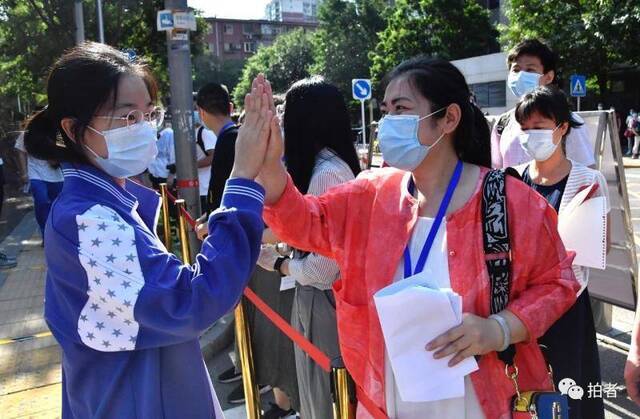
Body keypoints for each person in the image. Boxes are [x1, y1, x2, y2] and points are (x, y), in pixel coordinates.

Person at [225, 61, 580, 418]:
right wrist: (270, 165)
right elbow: (301, 224)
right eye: (385, 110)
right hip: (389, 399)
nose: (387, 123)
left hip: (484, 399)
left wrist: (499, 329)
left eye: (401, 109)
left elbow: (558, 282)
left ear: (448, 118)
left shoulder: (508, 202)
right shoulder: (371, 196)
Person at [25, 42, 268, 418]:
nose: (143, 129)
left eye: (148, 114)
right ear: (74, 129)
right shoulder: (88, 220)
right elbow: (191, 301)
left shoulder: (104, 205)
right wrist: (241, 182)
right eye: (127, 118)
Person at [256, 77, 361, 419]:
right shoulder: (327, 167)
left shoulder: (325, 175)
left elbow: (323, 266)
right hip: (321, 299)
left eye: (287, 112)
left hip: (324, 301)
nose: (283, 120)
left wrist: (279, 264)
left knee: (325, 394)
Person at [513, 86, 608, 419]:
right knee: (525, 391)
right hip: (520, 305)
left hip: (567, 307)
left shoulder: (588, 181)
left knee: (569, 389)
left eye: (539, 126)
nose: (530, 135)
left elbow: (597, 248)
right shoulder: (514, 180)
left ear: (563, 127)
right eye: (525, 128)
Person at [491, 39, 596, 169]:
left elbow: (587, 175)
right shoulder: (502, 124)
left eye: (530, 69)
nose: (520, 76)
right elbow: (496, 171)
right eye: (516, 70)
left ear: (549, 77)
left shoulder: (567, 122)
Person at [15, 128, 64, 239]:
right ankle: (45, 234)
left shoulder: (58, 133)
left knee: (56, 205)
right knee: (41, 202)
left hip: (58, 176)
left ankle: (56, 233)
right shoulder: (27, 134)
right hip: (36, 174)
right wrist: (24, 173)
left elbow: (65, 153)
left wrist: (56, 158)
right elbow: (20, 151)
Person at [196, 82, 237, 212]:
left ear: (201, 112)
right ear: (230, 108)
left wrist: (211, 219)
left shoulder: (226, 141)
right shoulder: (240, 136)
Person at [193, 108, 216, 213]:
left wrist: (191, 166)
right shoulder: (193, 134)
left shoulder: (204, 133)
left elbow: (213, 157)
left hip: (205, 188)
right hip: (196, 188)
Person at [147, 123, 175, 189]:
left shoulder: (169, 133)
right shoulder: (151, 134)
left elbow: (173, 156)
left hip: (166, 176)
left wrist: (171, 175)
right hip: (154, 176)